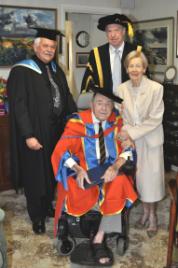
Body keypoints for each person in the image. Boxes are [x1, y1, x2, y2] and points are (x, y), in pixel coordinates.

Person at [51, 86, 137, 265]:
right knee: (74, 185)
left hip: (109, 173)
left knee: (120, 182)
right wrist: (77, 168)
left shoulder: (117, 123)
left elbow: (128, 150)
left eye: (108, 104)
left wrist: (115, 166)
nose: (104, 108)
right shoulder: (77, 123)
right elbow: (60, 151)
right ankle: (77, 229)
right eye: (99, 103)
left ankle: (99, 237)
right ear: (91, 104)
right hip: (85, 173)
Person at [7, 27, 77, 235]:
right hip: (36, 131)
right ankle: (36, 216)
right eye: (45, 46)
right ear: (36, 47)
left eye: (53, 47)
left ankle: (47, 206)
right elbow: (19, 106)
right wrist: (28, 135)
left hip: (56, 130)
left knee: (50, 172)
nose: (49, 50)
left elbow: (67, 96)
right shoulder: (21, 71)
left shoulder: (57, 69)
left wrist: (74, 119)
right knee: (35, 175)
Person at [116, 50, 165, 238]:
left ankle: (152, 215)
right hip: (131, 142)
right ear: (127, 68)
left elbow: (155, 119)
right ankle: (144, 212)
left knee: (150, 181)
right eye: (131, 66)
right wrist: (127, 137)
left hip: (150, 140)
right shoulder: (121, 89)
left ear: (144, 68)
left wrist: (132, 134)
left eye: (138, 65)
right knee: (138, 180)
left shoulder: (156, 88)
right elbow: (120, 115)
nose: (134, 69)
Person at [80, 13, 138, 94]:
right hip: (105, 103)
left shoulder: (136, 52)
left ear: (124, 31)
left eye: (116, 30)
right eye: (109, 31)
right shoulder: (97, 54)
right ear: (106, 33)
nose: (113, 35)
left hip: (131, 102)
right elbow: (88, 80)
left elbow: (145, 81)